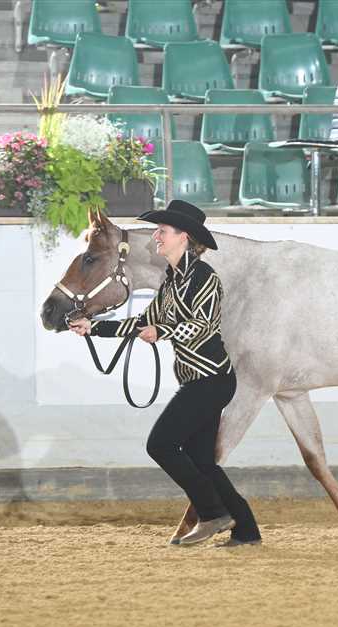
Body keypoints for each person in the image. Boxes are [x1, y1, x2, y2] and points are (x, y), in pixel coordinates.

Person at [68, 200, 261, 547]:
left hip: (211, 380)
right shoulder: (171, 280)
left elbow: (203, 325)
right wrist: (94, 327)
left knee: (161, 444)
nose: (156, 236)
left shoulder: (203, 277)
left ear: (184, 237)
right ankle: (246, 529)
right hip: (200, 380)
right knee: (203, 462)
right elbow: (143, 322)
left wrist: (163, 332)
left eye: (163, 231)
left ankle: (213, 513)